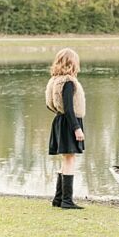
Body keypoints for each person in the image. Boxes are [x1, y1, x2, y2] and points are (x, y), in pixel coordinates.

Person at [46, 47, 86, 210]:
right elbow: (69, 108)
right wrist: (76, 128)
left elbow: (49, 105)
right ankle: (67, 201)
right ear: (72, 64)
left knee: (66, 159)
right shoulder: (68, 82)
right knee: (70, 159)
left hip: (59, 121)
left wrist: (61, 116)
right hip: (69, 122)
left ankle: (59, 198)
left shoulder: (54, 80)